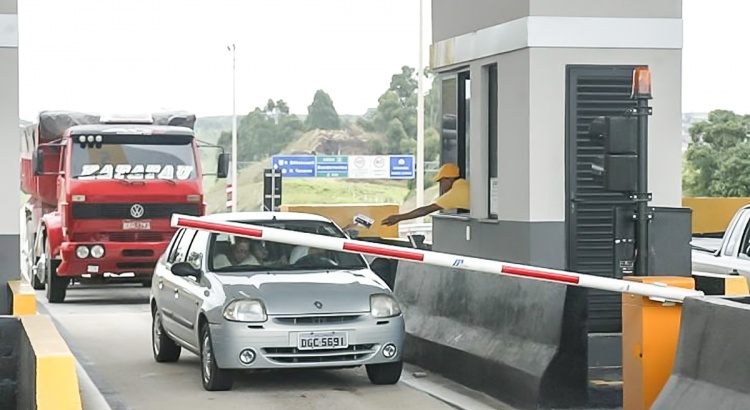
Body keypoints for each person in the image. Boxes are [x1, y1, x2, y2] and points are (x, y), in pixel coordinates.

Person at [381, 162, 470, 226]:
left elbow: (424, 210)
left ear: (449, 179)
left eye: (441, 181)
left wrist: (399, 218)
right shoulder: (466, 185)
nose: (441, 185)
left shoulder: (454, 194)